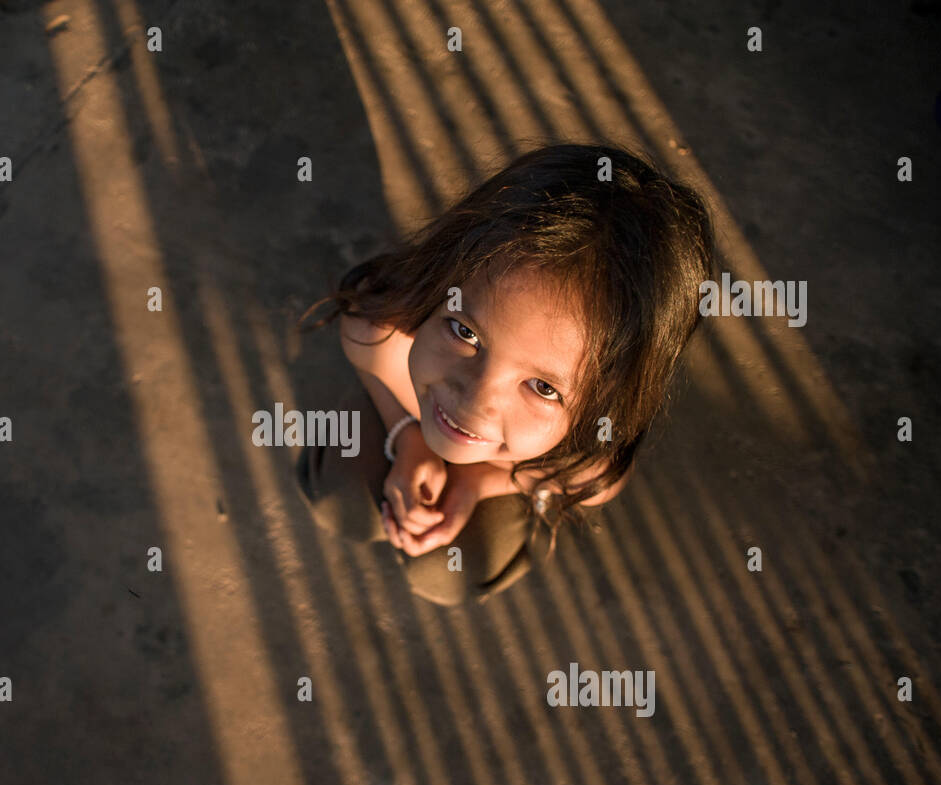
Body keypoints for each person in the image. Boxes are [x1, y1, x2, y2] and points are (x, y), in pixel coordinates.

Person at [295, 142, 717, 606]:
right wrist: (405, 435)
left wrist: (478, 483)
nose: (474, 403)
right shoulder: (384, 331)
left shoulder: (580, 457)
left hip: (508, 467)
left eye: (543, 387)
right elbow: (362, 335)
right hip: (411, 408)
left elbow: (598, 481)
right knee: (341, 503)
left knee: (450, 574)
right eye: (464, 331)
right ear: (437, 283)